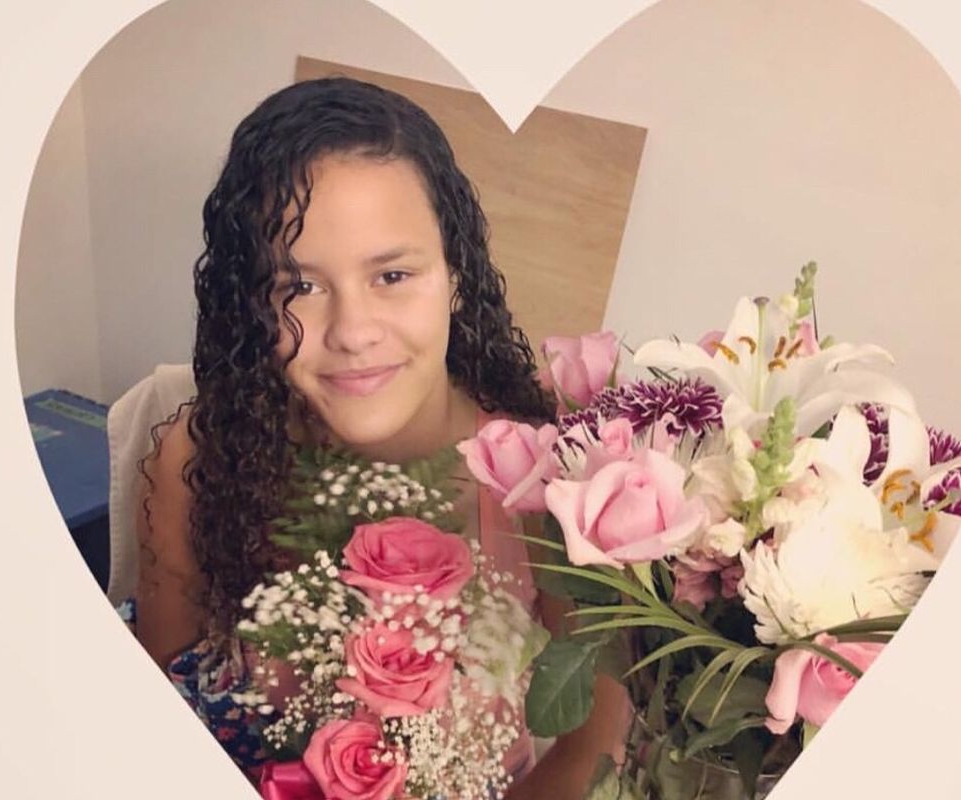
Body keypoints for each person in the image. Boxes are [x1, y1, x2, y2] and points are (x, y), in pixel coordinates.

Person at [129, 76, 628, 799]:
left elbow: (594, 744)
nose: (352, 332)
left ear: (456, 274)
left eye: (392, 274)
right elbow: (160, 709)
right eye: (299, 287)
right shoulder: (197, 458)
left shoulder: (549, 478)